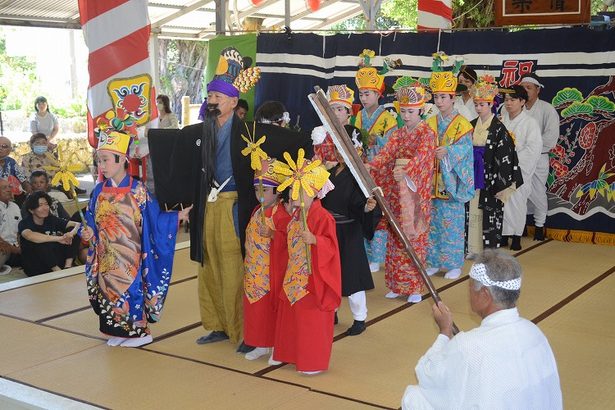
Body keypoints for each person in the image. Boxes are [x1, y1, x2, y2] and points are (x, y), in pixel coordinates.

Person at [147, 47, 312, 352]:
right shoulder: (199, 132)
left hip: (235, 205)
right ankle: (217, 325)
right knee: (208, 265)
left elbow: (294, 142)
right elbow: (176, 161)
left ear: (234, 102)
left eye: (217, 98)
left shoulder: (249, 131)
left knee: (236, 268)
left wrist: (303, 161)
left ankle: (245, 331)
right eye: (209, 96)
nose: (211, 102)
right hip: (207, 206)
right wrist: (177, 201)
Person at [80, 111, 191, 348]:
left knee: (131, 292)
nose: (102, 165)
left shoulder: (137, 190)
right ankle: (118, 332)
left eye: (106, 159)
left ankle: (140, 333)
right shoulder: (99, 191)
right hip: (106, 254)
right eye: (99, 160)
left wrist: (175, 218)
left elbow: (155, 218)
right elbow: (90, 219)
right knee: (107, 291)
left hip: (130, 254)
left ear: (122, 160)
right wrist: (87, 232)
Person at [401, 250, 562, 410]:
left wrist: (444, 332)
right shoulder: (535, 332)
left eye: (471, 287)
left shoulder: (468, 345)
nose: (469, 292)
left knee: (415, 397)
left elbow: (426, 374)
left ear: (485, 294)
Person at [272, 152, 341, 374]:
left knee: (310, 320)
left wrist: (315, 240)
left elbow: (332, 247)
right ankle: (290, 354)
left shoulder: (323, 217)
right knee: (293, 319)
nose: (296, 196)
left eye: (301, 192)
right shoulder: (296, 215)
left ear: (313, 192)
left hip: (313, 278)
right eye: (295, 192)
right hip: (294, 274)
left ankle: (313, 361)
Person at [369, 78, 436, 303]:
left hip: (415, 192)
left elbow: (422, 157)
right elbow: (387, 153)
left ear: (421, 110)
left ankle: (415, 286)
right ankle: (397, 284)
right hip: (397, 191)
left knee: (414, 236)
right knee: (396, 235)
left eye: (411, 111)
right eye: (403, 111)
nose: (406, 116)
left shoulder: (426, 133)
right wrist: (373, 165)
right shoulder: (397, 134)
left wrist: (406, 171)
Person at [321, 138, 379, 336]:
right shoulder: (328, 172)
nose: (339, 153)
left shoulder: (359, 175)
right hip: (329, 230)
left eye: (345, 148)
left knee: (352, 275)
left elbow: (362, 201)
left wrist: (366, 207)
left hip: (349, 230)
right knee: (330, 273)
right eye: (337, 148)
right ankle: (332, 311)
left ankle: (360, 318)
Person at [425, 53, 474, 280]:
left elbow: (466, 150)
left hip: (451, 180)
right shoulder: (430, 122)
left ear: (453, 98)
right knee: (433, 222)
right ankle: (433, 260)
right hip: (431, 181)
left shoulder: (462, 124)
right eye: (436, 97)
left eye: (444, 97)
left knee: (452, 224)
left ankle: (454, 263)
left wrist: (449, 152)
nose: (439, 101)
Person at [351, 49, 399, 274]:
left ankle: (378, 257)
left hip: (380, 173)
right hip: (361, 171)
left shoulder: (388, 118)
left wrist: (376, 140)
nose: (364, 97)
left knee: (379, 214)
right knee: (362, 210)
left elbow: (392, 148)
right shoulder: (358, 116)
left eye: (368, 93)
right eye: (361, 93)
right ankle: (364, 254)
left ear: (379, 94)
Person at [466, 75, 522, 257]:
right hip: (473, 173)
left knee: (489, 213)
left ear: (491, 104)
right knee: (472, 211)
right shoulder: (471, 125)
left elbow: (505, 156)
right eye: (476, 104)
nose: (479, 108)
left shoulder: (498, 127)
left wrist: (501, 184)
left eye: (482, 104)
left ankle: (488, 252)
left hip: (490, 176)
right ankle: (473, 248)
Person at [242, 160, 286, 362]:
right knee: (256, 311)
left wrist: (273, 234)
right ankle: (261, 343)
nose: (260, 193)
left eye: (265, 189)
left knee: (273, 311)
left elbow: (288, 240)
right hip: (254, 272)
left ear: (277, 191)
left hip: (272, 272)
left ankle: (278, 346)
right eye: (256, 188)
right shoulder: (256, 211)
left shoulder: (281, 214)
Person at [500, 85, 542, 251]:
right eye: (506, 100)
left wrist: (514, 165)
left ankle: (516, 236)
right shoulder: (501, 119)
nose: (508, 103)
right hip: (502, 169)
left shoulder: (530, 123)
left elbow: (533, 149)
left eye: (513, 100)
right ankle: (503, 235)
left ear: (522, 101)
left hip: (519, 169)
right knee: (502, 202)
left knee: (517, 203)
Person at [519, 73, 560, 241]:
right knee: (519, 191)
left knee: (537, 191)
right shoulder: (514, 107)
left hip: (538, 157)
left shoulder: (547, 109)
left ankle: (539, 226)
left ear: (538, 90)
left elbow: (551, 137)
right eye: (523, 88)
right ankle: (518, 226)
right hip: (519, 158)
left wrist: (532, 149)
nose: (525, 91)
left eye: (529, 88)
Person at [18, 191, 79, 276]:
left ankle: (67, 267)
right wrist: (60, 239)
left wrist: (70, 234)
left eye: (46, 204)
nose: (45, 208)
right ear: (31, 210)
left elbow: (77, 224)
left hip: (56, 258)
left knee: (72, 232)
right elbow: (30, 236)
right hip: (36, 266)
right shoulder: (25, 223)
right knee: (38, 241)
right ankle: (58, 271)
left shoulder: (51, 219)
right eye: (40, 205)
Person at [312, 84, 356, 167]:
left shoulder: (355, 133)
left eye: (339, 109)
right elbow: (317, 160)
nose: (335, 114)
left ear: (349, 112)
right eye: (332, 109)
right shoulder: (323, 134)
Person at [0, 136, 32, 206]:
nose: (0, 148)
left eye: (4, 146)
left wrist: (28, 188)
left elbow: (23, 179)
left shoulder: (11, 162)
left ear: (9, 150)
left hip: (13, 195)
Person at [0, 179, 22, 271]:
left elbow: (20, 229)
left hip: (16, 247)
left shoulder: (15, 206)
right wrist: (8, 246)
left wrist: (20, 246)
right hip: (3, 247)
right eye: (4, 188)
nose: (9, 190)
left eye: (9, 186)